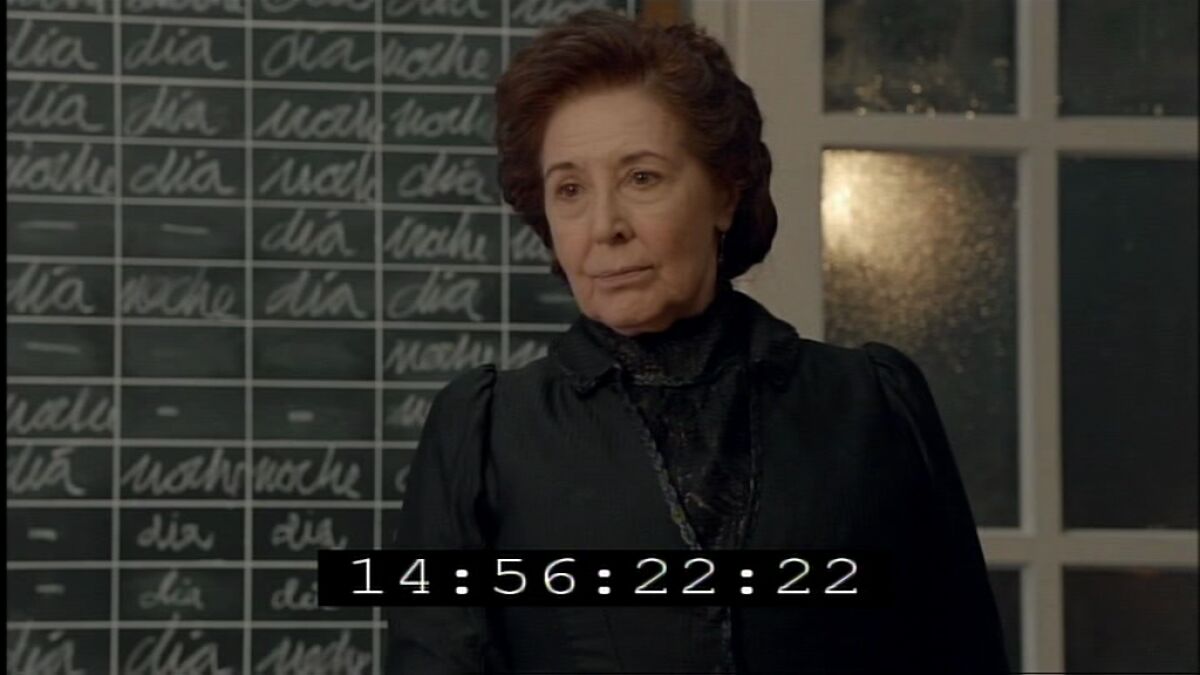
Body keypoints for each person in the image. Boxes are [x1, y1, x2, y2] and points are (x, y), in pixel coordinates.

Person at [385, 9, 1010, 674]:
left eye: (642, 178)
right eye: (569, 189)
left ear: (724, 193)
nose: (604, 226)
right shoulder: (482, 432)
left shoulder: (873, 404)